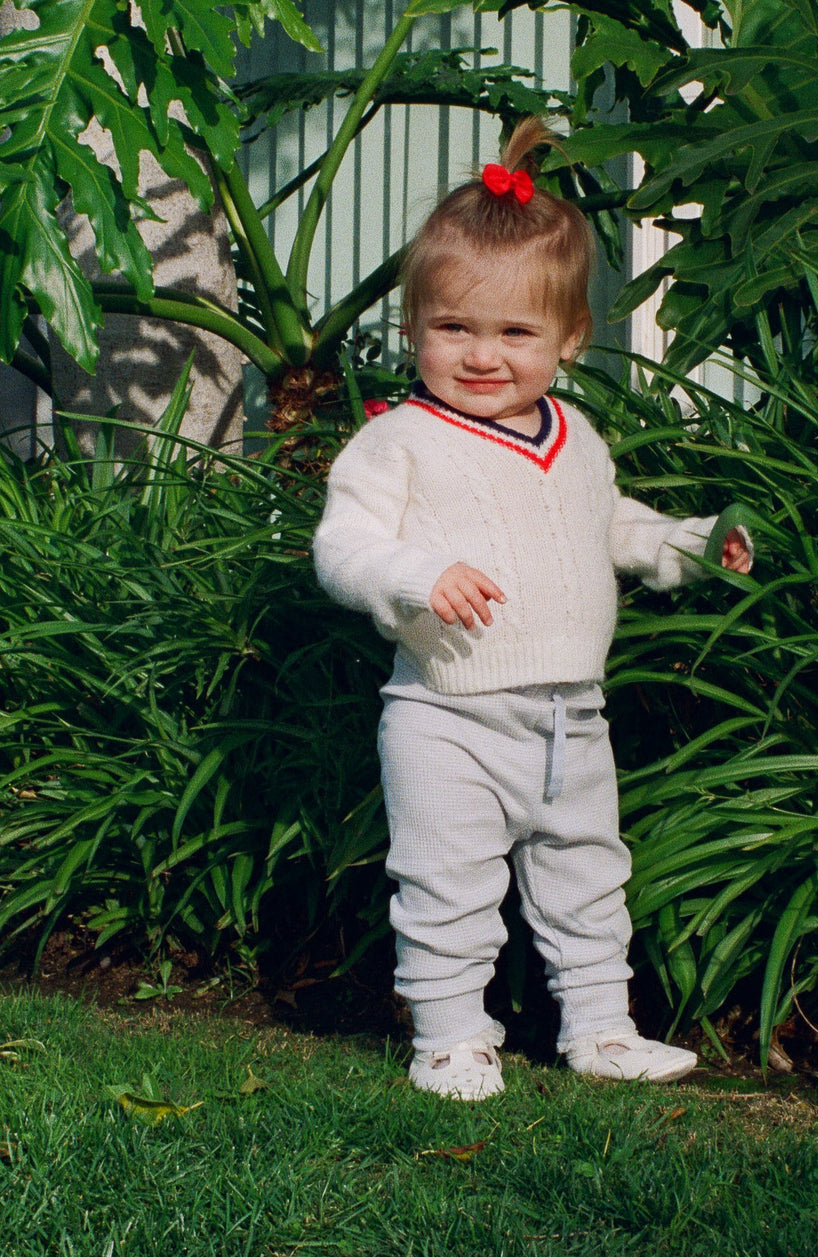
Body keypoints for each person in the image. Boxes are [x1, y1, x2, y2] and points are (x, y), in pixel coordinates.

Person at [312, 117, 753, 1101]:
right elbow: (342, 549)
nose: (481, 355)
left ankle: (597, 1026)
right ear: (415, 327)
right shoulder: (401, 442)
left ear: (569, 337)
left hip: (569, 717)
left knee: (586, 875)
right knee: (447, 880)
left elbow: (613, 527)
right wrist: (415, 574)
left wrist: (690, 545)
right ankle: (449, 1034)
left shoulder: (577, 437)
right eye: (452, 329)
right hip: (446, 717)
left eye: (514, 333)